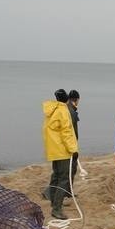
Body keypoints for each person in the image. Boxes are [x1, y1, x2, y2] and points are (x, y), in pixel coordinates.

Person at [42, 89, 78, 220]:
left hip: (53, 150)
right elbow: (66, 132)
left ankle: (53, 201)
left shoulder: (51, 110)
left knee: (56, 176)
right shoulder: (63, 111)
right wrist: (73, 149)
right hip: (62, 151)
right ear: (67, 99)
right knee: (63, 179)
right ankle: (57, 208)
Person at [67, 90, 81, 188]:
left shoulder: (66, 108)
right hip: (70, 144)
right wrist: (73, 147)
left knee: (67, 169)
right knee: (71, 168)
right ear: (76, 100)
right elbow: (71, 131)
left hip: (66, 144)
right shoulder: (71, 112)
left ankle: (67, 192)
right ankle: (67, 192)